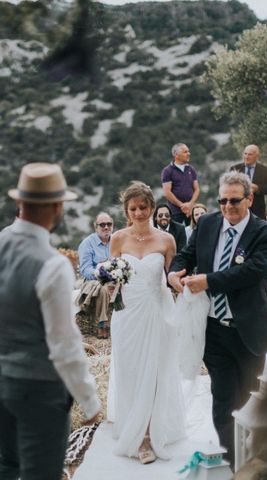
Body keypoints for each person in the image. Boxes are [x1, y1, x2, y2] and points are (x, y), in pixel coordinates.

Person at [0, 162, 100, 480]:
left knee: (8, 459)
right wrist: (89, 399)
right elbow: (64, 344)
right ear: (56, 206)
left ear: (19, 203)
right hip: (38, 386)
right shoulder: (53, 265)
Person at [168, 171, 267, 467]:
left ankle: (255, 458)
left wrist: (208, 281)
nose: (228, 206)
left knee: (248, 401)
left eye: (234, 200)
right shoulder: (207, 223)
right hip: (213, 330)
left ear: (249, 199)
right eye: (222, 200)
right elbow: (186, 254)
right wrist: (174, 272)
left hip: (248, 332)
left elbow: (251, 272)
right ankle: (234, 463)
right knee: (222, 400)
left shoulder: (266, 233)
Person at [107, 182, 185, 463]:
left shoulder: (166, 241)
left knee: (154, 372)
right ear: (126, 211)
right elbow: (111, 281)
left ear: (152, 207)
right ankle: (133, 428)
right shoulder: (117, 239)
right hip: (126, 315)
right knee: (129, 371)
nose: (139, 213)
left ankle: (148, 436)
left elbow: (171, 278)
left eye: (143, 207)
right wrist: (109, 285)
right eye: (133, 209)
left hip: (156, 312)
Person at [230, 145, 267, 219]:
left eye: (250, 154)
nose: (246, 157)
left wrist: (257, 188)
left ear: (257, 157)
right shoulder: (235, 168)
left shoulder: (264, 170)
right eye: (245, 154)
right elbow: (229, 186)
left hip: (257, 211)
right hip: (238, 209)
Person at [161, 143, 200, 225]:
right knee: (176, 236)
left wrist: (190, 204)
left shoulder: (191, 169)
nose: (188, 154)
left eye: (188, 151)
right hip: (175, 211)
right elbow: (167, 192)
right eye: (185, 152)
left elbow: (197, 189)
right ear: (176, 155)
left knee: (193, 234)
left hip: (191, 210)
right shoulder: (167, 171)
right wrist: (182, 205)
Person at [78, 212, 114, 280]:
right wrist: (103, 275)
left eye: (109, 224)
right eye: (102, 225)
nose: (106, 227)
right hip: (95, 281)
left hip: (116, 280)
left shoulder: (116, 241)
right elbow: (85, 269)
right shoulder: (87, 244)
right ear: (96, 227)